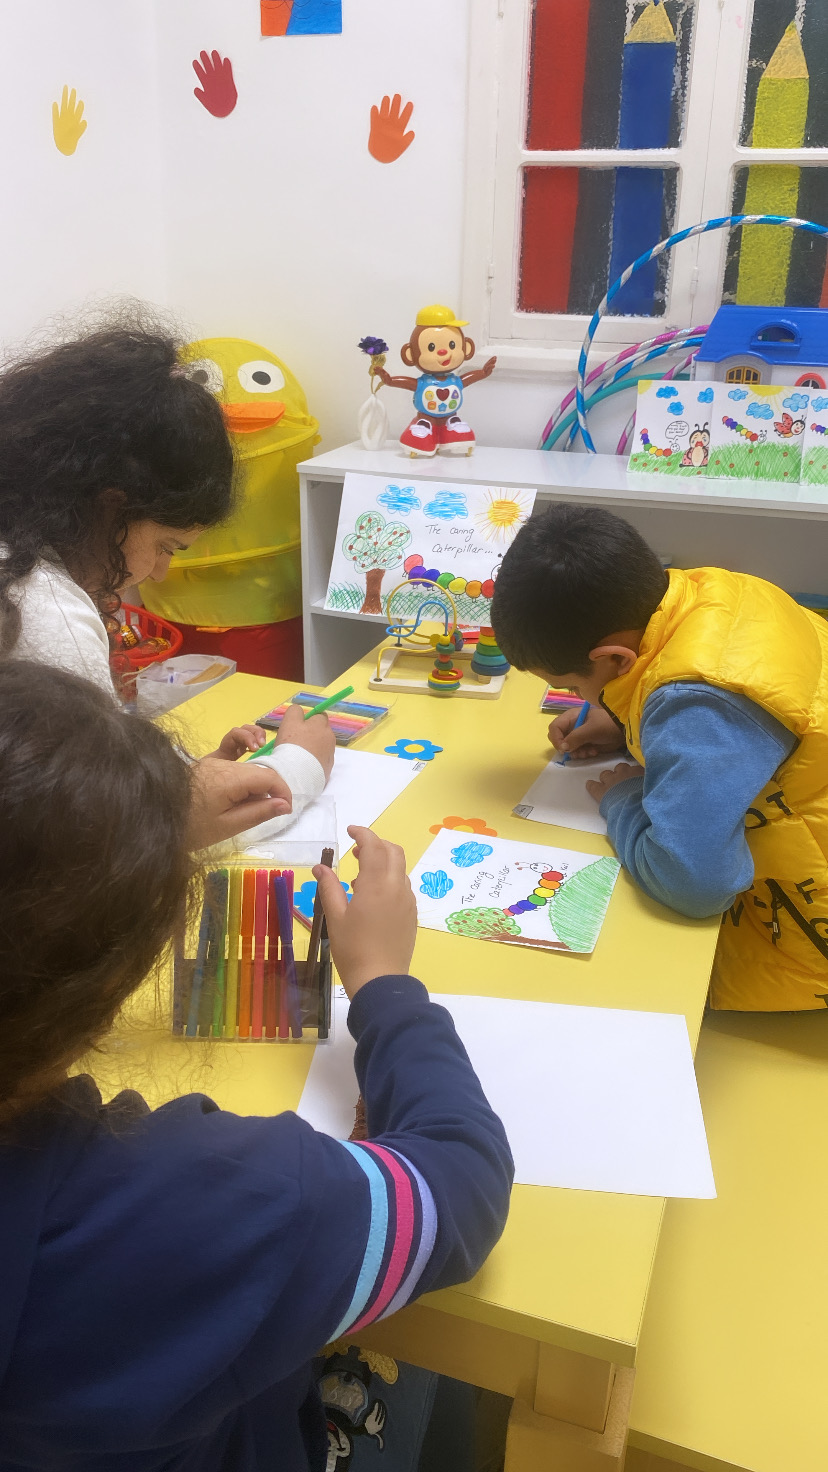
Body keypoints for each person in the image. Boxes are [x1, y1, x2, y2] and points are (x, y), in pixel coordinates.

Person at [0, 661, 513, 1472]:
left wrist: (131, 828)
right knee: (443, 1381)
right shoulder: (205, 1202)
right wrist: (385, 985)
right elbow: (463, 1184)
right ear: (104, 975)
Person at [0, 311, 333, 847]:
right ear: (111, 507)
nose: (159, 572)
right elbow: (121, 836)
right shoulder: (45, 612)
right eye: (165, 546)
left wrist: (168, 774)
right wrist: (298, 768)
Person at [491, 503, 828, 1012]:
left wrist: (624, 799)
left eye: (574, 686)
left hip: (802, 941)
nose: (579, 698)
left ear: (614, 659)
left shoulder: (694, 707)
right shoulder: (707, 592)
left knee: (591, 977)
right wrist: (626, 720)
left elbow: (695, 884)